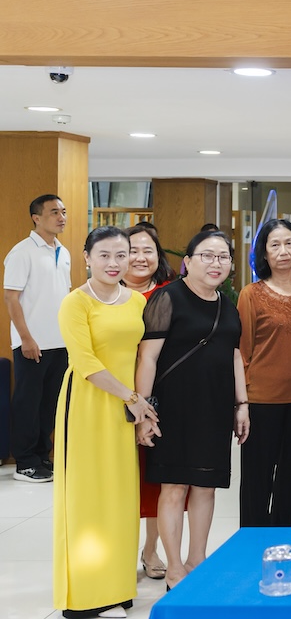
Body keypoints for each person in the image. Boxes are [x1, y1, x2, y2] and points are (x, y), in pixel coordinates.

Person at [134, 229, 248, 590]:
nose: (216, 263)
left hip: (214, 408)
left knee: (206, 487)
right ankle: (174, 568)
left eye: (223, 257)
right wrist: (143, 410)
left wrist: (242, 404)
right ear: (187, 262)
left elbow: (234, 356)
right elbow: (147, 358)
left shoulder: (227, 305)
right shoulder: (168, 297)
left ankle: (197, 559)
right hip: (173, 408)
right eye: (207, 256)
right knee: (173, 486)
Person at [54, 227, 156, 619]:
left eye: (121, 255)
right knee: (87, 497)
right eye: (104, 255)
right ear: (87, 258)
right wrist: (132, 398)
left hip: (125, 408)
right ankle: (86, 596)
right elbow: (85, 362)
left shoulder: (136, 301)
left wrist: (138, 402)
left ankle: (116, 586)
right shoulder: (75, 303)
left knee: (120, 496)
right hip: (88, 405)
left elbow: (143, 356)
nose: (114, 263)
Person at [236, 218, 291, 527]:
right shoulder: (251, 294)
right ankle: (252, 541)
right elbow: (242, 352)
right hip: (262, 400)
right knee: (257, 479)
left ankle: (285, 538)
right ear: (264, 252)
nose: (283, 251)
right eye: (275, 245)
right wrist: (241, 402)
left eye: (289, 243)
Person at [3, 194, 71, 483]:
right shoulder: (22, 252)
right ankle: (25, 462)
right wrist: (26, 339)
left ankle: (42, 455)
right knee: (28, 404)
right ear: (36, 218)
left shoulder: (63, 252)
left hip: (60, 343)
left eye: (63, 211)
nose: (61, 217)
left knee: (49, 404)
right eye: (54, 212)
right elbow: (11, 298)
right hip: (32, 344)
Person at [122, 223, 174, 580]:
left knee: (154, 478)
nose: (140, 258)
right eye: (132, 251)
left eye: (148, 251)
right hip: (111, 391)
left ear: (159, 256)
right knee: (119, 477)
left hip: (160, 397)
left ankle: (151, 549)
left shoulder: (169, 293)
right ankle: (119, 553)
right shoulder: (106, 293)